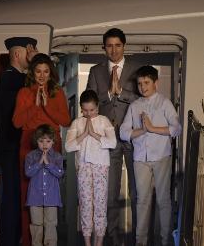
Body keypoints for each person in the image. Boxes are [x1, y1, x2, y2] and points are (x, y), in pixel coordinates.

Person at [86, 27, 140, 245]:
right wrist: (108, 94)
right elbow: (89, 101)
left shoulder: (137, 69)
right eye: (109, 46)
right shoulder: (96, 71)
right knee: (109, 191)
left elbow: (143, 97)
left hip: (134, 136)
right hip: (107, 139)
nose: (114, 50)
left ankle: (140, 236)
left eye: (118, 45)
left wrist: (121, 93)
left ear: (124, 46)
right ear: (104, 48)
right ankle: (112, 236)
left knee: (138, 189)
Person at [119, 65, 182, 246]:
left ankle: (166, 241)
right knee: (142, 201)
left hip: (162, 156)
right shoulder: (135, 105)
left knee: (164, 200)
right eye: (139, 83)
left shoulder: (164, 103)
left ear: (156, 83)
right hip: (140, 159)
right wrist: (141, 131)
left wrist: (153, 129)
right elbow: (123, 132)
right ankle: (140, 242)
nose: (143, 87)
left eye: (146, 82)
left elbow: (176, 128)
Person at [13, 53, 71, 246]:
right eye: (38, 71)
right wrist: (34, 106)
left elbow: (65, 120)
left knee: (52, 192)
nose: (42, 75)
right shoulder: (24, 92)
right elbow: (17, 122)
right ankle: (30, 241)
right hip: (29, 143)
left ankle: (51, 241)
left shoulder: (58, 92)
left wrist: (47, 106)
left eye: (46, 71)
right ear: (32, 72)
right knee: (28, 193)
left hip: (52, 144)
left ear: (50, 73)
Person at [0, 36, 38, 246]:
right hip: (11, 150)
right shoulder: (13, 79)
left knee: (16, 199)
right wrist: (38, 61)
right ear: (18, 54)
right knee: (12, 201)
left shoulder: (14, 78)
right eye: (28, 52)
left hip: (11, 150)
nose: (31, 56)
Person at [65, 90, 117, 246]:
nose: (89, 114)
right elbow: (68, 146)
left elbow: (112, 143)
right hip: (83, 167)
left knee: (100, 205)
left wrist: (93, 134)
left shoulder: (104, 121)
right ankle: (87, 242)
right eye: (85, 110)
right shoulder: (77, 123)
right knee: (86, 205)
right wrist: (84, 133)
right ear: (81, 108)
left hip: (101, 167)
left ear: (98, 108)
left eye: (92, 110)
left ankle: (99, 242)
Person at [25, 124, 64, 246]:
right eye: (41, 141)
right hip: (34, 198)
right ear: (36, 141)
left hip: (52, 198)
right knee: (36, 225)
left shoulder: (57, 156)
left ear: (53, 142)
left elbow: (59, 173)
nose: (45, 144)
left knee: (51, 224)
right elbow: (28, 172)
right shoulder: (30, 156)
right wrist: (39, 162)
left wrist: (47, 163)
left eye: (48, 141)